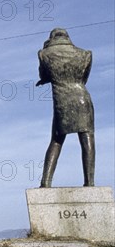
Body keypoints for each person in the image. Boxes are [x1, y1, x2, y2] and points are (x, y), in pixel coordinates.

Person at [36, 28, 95, 187]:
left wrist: (46, 48)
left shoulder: (44, 54)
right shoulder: (85, 54)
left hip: (62, 100)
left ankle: (46, 182)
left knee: (56, 140)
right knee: (87, 138)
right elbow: (83, 78)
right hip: (82, 98)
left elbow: (43, 75)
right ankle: (90, 182)